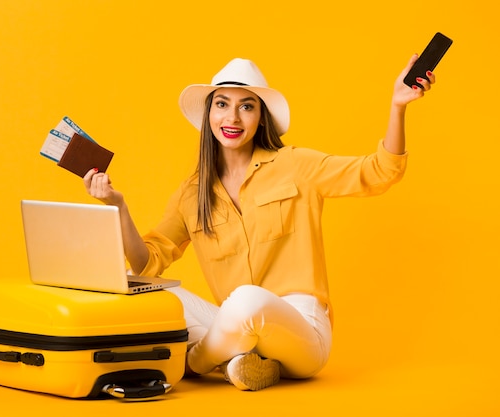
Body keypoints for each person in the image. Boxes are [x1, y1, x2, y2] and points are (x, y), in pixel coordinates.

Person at [83, 56, 435, 391]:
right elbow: (147, 262)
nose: (232, 117)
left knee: (247, 300)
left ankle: (196, 363)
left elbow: (380, 172)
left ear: (261, 118)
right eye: (221, 104)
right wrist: (118, 206)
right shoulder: (192, 192)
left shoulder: (295, 165)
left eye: (246, 106)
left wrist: (397, 106)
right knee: (141, 287)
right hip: (233, 323)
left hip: (301, 333)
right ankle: (239, 363)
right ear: (209, 115)